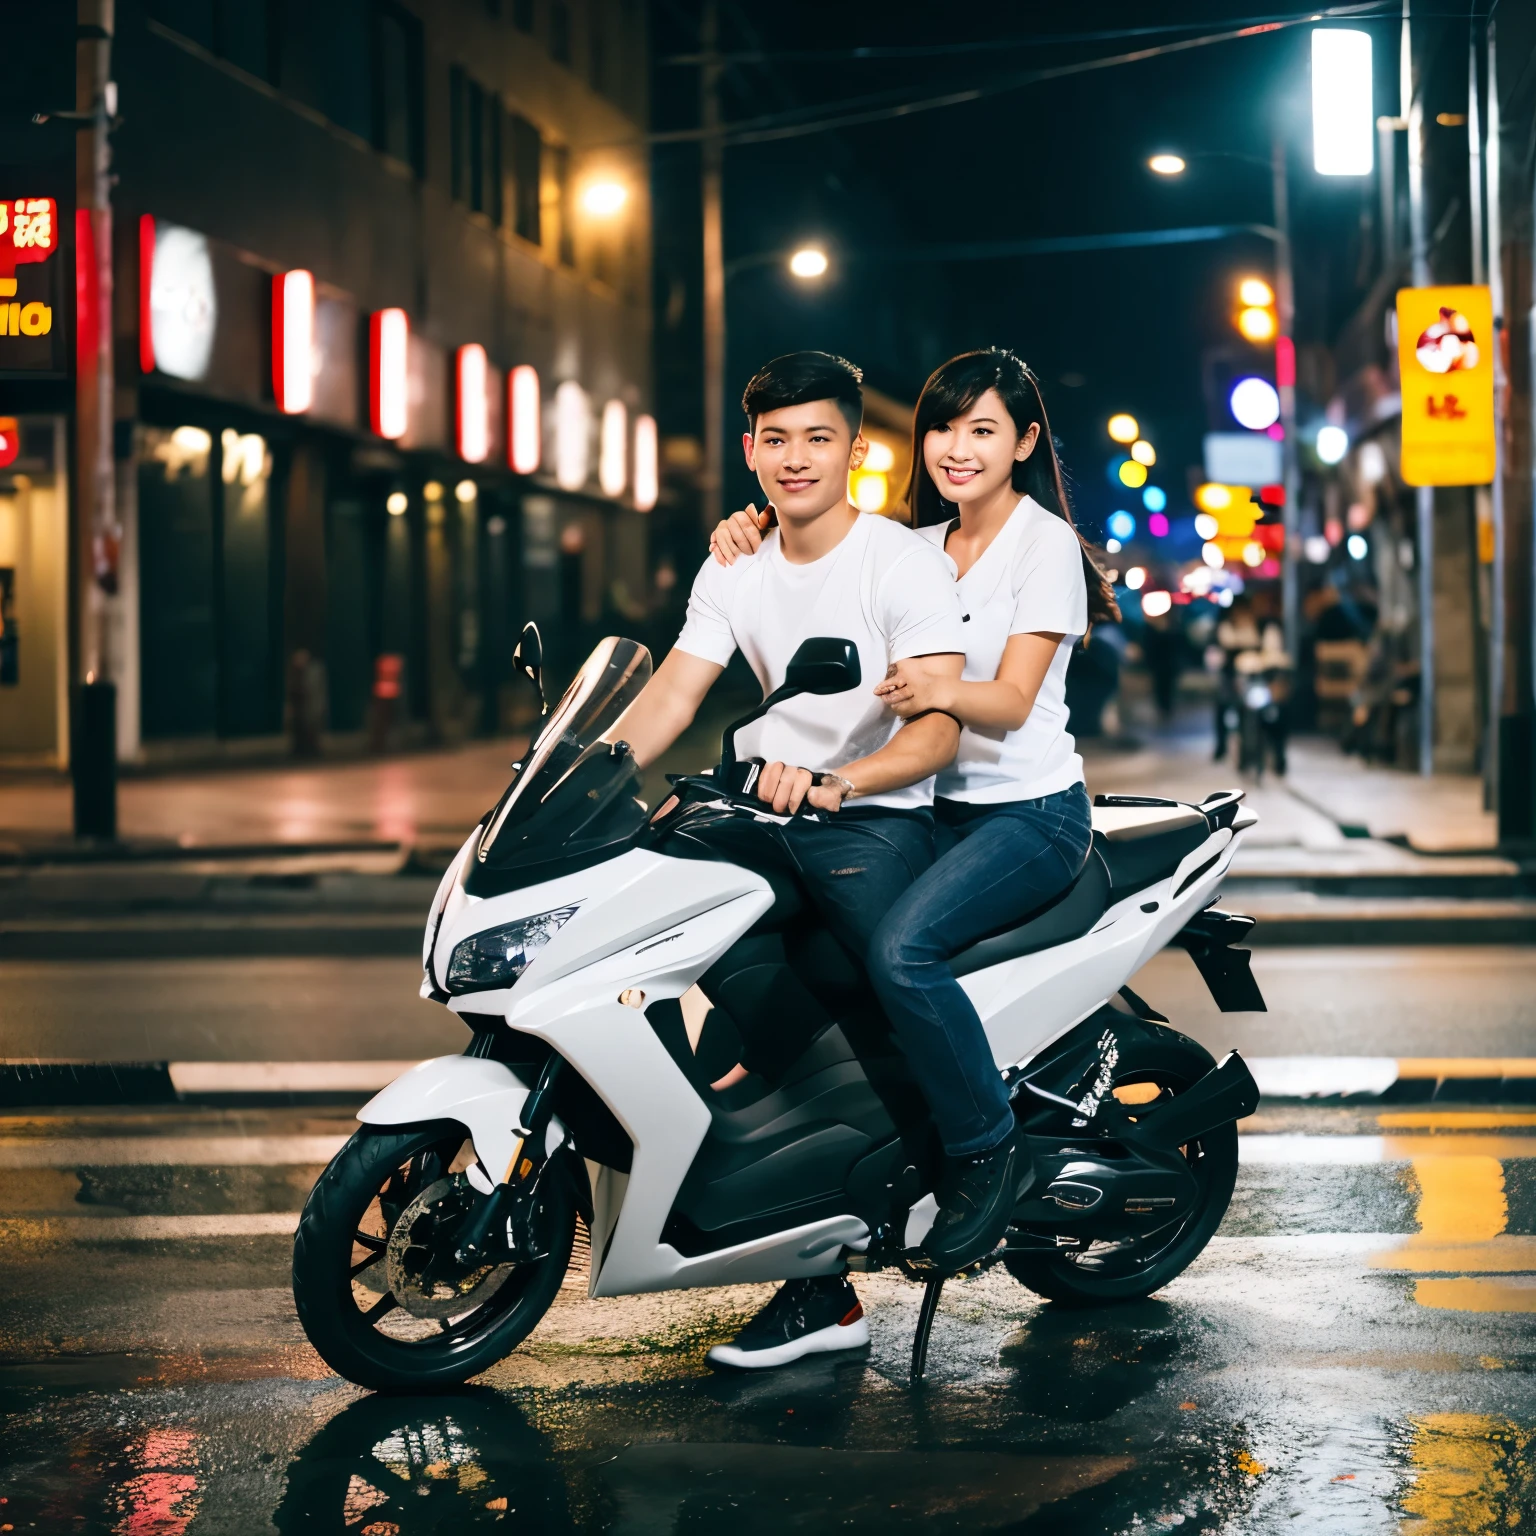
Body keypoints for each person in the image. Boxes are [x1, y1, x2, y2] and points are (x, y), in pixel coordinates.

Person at [709, 347, 1117, 1272]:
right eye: (943, 427)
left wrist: (922, 688)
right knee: (810, 947)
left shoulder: (1040, 542)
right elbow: (831, 555)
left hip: (1028, 813)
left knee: (902, 952)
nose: (957, 448)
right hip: (929, 805)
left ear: (1024, 442)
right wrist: (757, 524)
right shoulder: (917, 546)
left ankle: (985, 1150)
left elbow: (1011, 701)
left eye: (983, 430)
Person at [608, 350, 967, 1369]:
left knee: (868, 998)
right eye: (777, 438)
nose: (797, 458)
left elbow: (934, 727)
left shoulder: (898, 562)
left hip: (874, 816)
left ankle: (961, 1167)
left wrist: (837, 783)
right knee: (731, 1006)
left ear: (855, 448)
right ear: (749, 449)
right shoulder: (735, 562)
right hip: (767, 818)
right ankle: (796, 1233)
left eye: (820, 437)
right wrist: (586, 772)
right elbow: (677, 692)